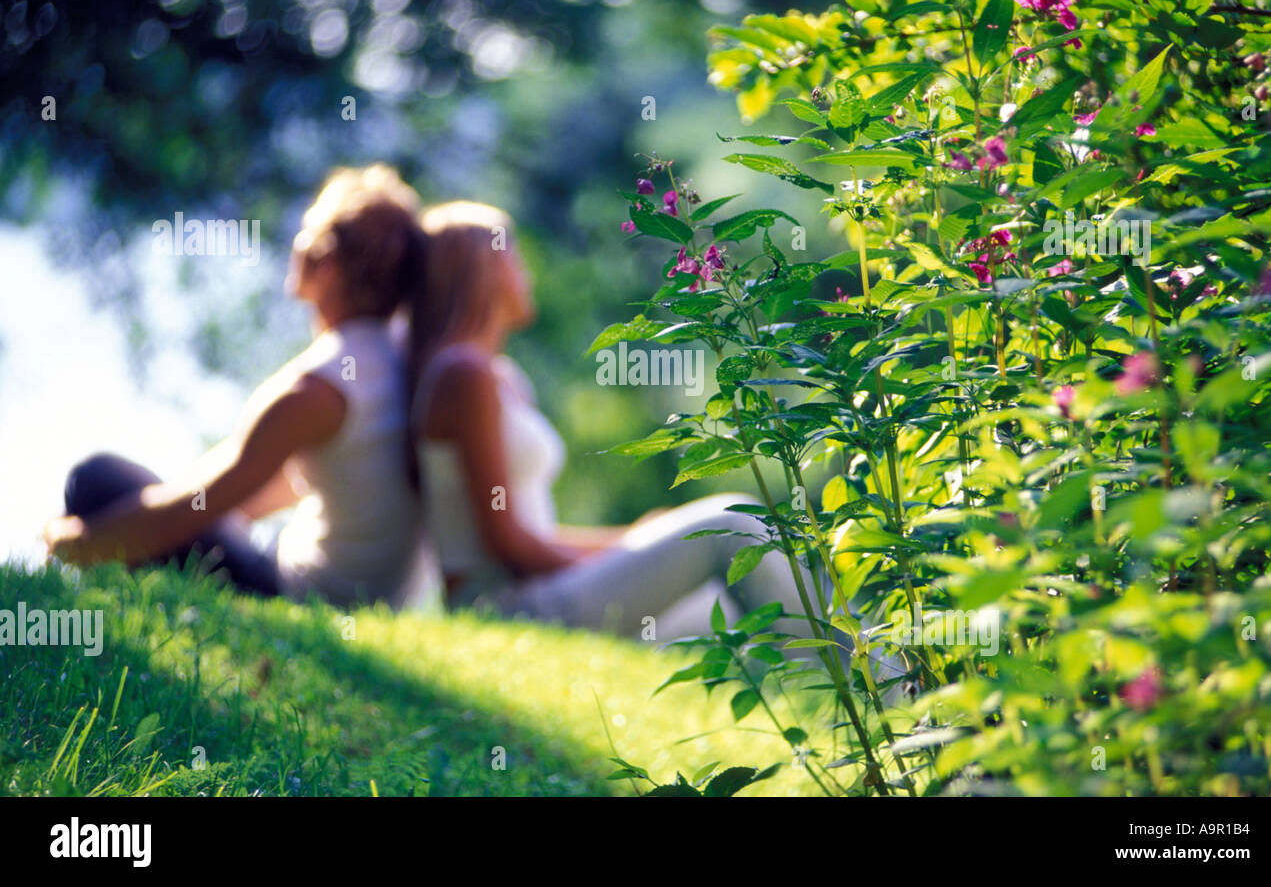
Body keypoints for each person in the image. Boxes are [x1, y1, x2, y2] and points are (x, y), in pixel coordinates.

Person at [407, 200, 819, 640]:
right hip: (509, 607)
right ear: (481, 270)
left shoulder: (499, 375)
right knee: (731, 523)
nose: (526, 273)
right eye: (514, 256)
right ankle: (871, 684)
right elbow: (510, 546)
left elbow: (529, 533)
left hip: (542, 589)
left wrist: (634, 541)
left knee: (731, 604)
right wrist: (628, 544)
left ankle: (862, 684)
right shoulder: (462, 374)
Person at [42, 165, 428, 608]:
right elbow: (283, 485)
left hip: (299, 593)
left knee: (94, 479)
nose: (297, 244)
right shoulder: (396, 359)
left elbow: (193, 505)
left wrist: (76, 541)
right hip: (370, 595)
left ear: (327, 263)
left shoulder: (319, 384)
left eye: (308, 230)